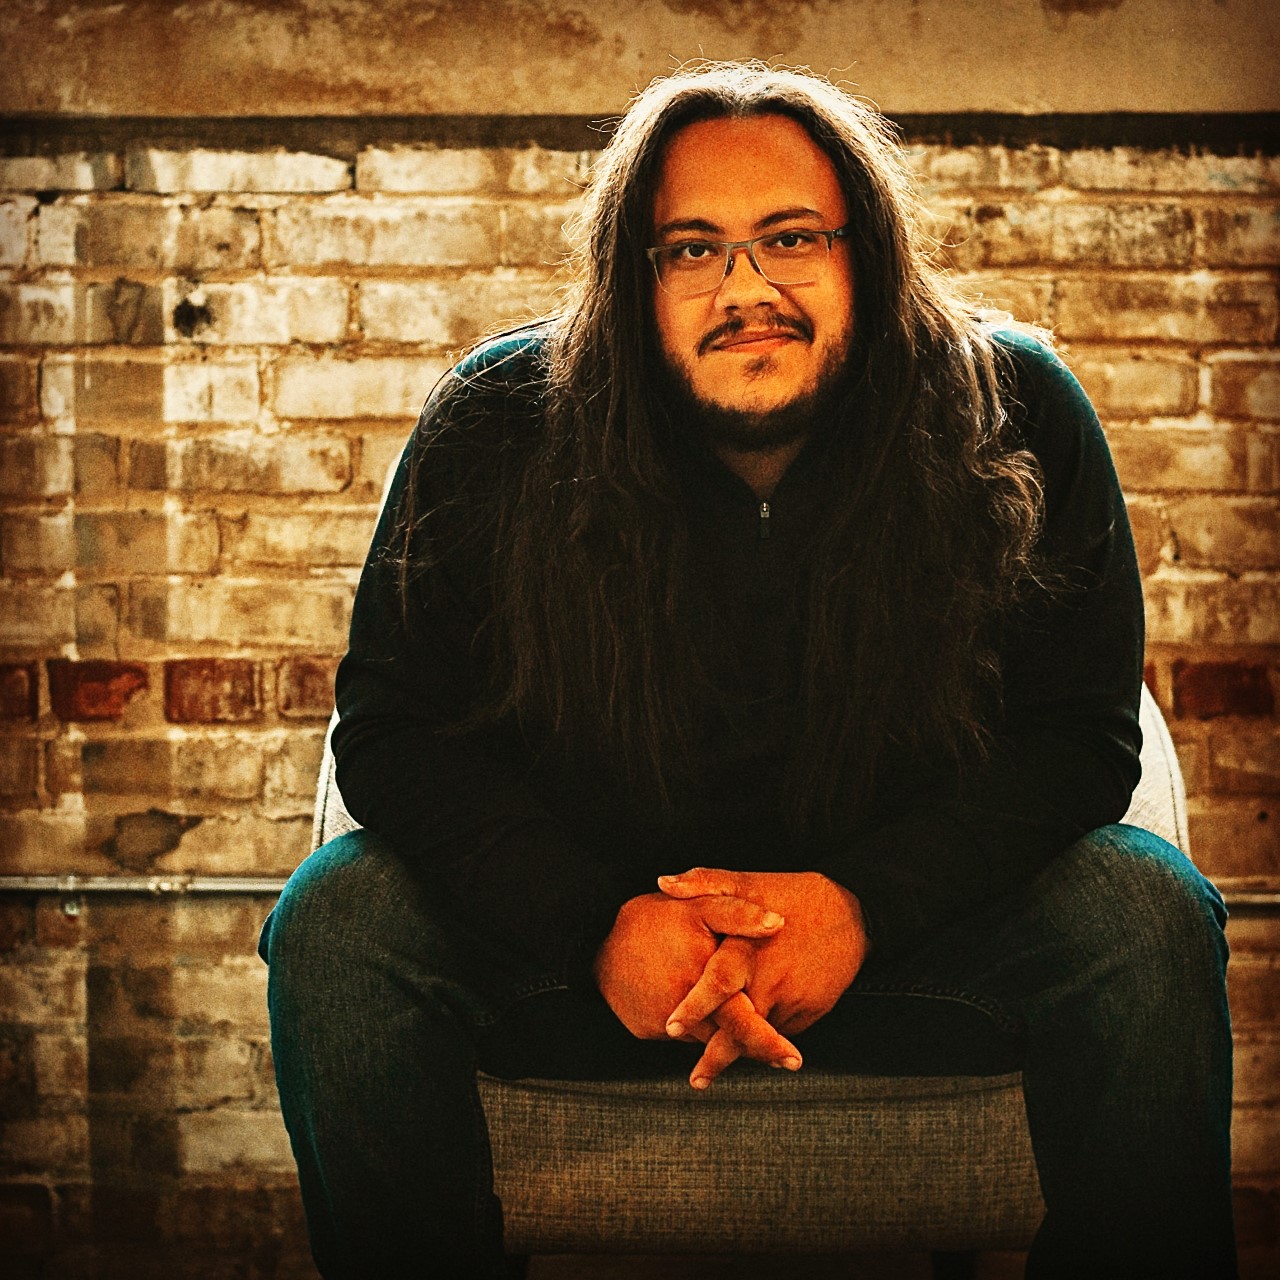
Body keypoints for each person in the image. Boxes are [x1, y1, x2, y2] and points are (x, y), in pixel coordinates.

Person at [259, 62, 1236, 1279]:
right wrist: (594, 922)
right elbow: (395, 730)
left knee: (1137, 911)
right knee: (340, 920)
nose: (745, 288)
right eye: (689, 250)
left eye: (789, 238)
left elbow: (1079, 731)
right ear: (633, 276)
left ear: (865, 252)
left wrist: (860, 904)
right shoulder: (496, 420)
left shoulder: (1014, 406)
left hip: (913, 947)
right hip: (589, 958)